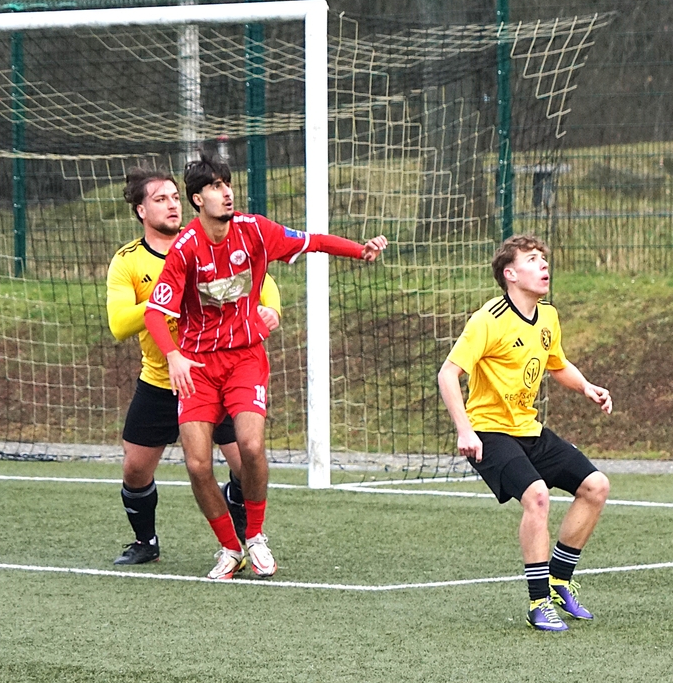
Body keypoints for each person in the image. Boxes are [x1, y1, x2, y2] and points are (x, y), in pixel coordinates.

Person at [143, 154, 387, 579]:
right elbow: (153, 314)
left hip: (245, 357)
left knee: (251, 446)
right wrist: (174, 355)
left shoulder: (255, 230)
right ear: (198, 199)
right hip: (199, 365)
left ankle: (254, 537)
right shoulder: (185, 249)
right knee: (197, 465)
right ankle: (229, 548)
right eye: (216, 187)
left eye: (227, 184)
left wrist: (358, 250)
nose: (227, 192)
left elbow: (312, 241)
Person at [106, 166, 283, 565]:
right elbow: (118, 324)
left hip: (212, 373)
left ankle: (243, 533)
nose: (172, 205)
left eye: (174, 197)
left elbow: (263, 282)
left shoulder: (205, 241)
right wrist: (166, 298)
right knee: (135, 469)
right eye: (160, 199)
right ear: (141, 211)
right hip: (160, 379)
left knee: (246, 460)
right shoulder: (128, 261)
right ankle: (145, 542)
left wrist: (272, 310)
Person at [437, 233, 611, 632]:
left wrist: (586, 386)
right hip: (488, 432)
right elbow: (448, 374)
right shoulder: (488, 319)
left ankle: (559, 581)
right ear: (510, 274)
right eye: (532, 260)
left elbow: (557, 364)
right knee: (537, 496)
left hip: (528, 429)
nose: (543, 265)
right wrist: (465, 431)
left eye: (543, 259)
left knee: (596, 486)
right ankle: (538, 603)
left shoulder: (548, 316)